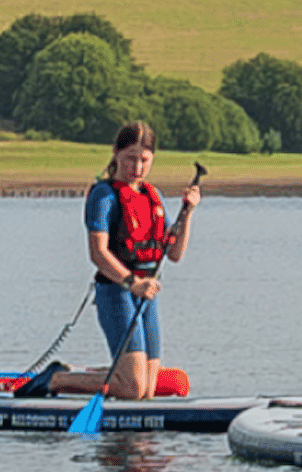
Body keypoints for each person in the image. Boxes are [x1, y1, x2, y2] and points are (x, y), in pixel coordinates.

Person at [22, 123, 200, 401]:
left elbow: (174, 255)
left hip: (146, 296)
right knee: (133, 389)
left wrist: (187, 213)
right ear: (116, 153)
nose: (137, 167)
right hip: (116, 292)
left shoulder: (153, 197)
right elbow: (98, 253)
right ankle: (56, 379)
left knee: (147, 391)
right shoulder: (104, 195)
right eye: (130, 158)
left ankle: (114, 374)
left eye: (144, 160)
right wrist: (132, 282)